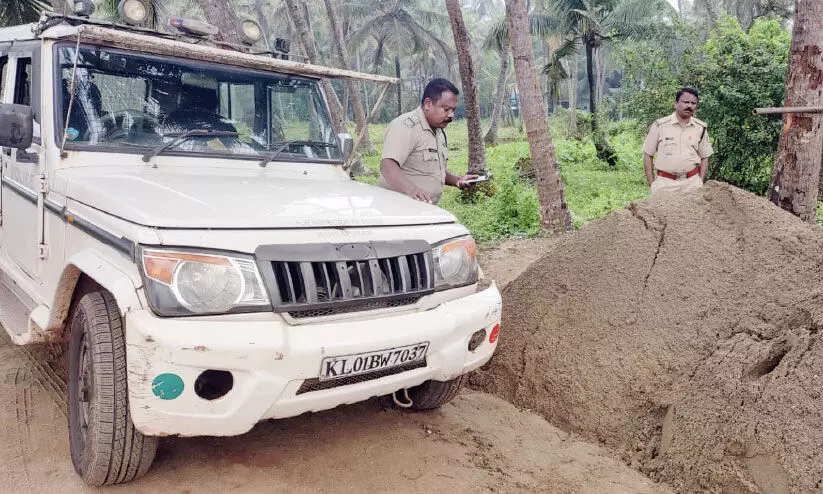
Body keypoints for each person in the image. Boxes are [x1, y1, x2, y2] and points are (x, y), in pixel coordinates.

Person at [378, 78, 476, 204]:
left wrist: (457, 180)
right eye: (446, 109)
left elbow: (433, 171)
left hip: (425, 209)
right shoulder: (406, 126)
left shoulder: (438, 130)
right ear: (428, 103)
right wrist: (413, 190)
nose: (451, 115)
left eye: (453, 110)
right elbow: (387, 166)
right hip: (398, 208)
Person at [642, 87, 713, 195]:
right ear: (676, 104)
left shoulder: (700, 128)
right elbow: (648, 154)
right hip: (665, 185)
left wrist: (700, 181)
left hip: (692, 185)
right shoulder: (660, 125)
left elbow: (705, 157)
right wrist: (651, 183)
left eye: (693, 103)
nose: (689, 106)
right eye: (685, 102)